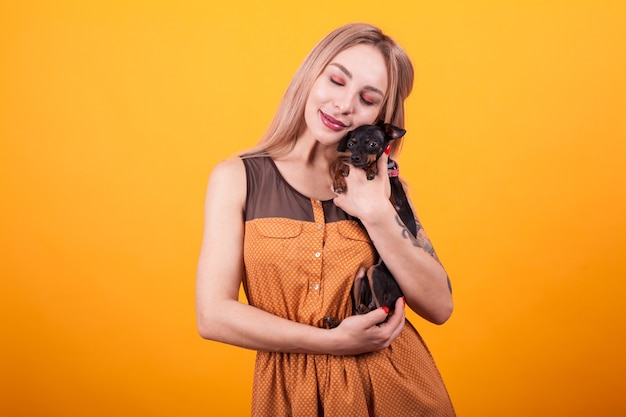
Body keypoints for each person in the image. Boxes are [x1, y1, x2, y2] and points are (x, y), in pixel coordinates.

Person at [196, 22, 455, 416]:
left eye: (367, 99)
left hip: (398, 391)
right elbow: (213, 316)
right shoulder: (237, 178)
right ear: (311, 76)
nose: (345, 104)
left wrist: (376, 211)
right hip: (290, 397)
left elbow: (440, 306)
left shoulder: (382, 188)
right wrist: (334, 342)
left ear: (380, 119)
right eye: (336, 80)